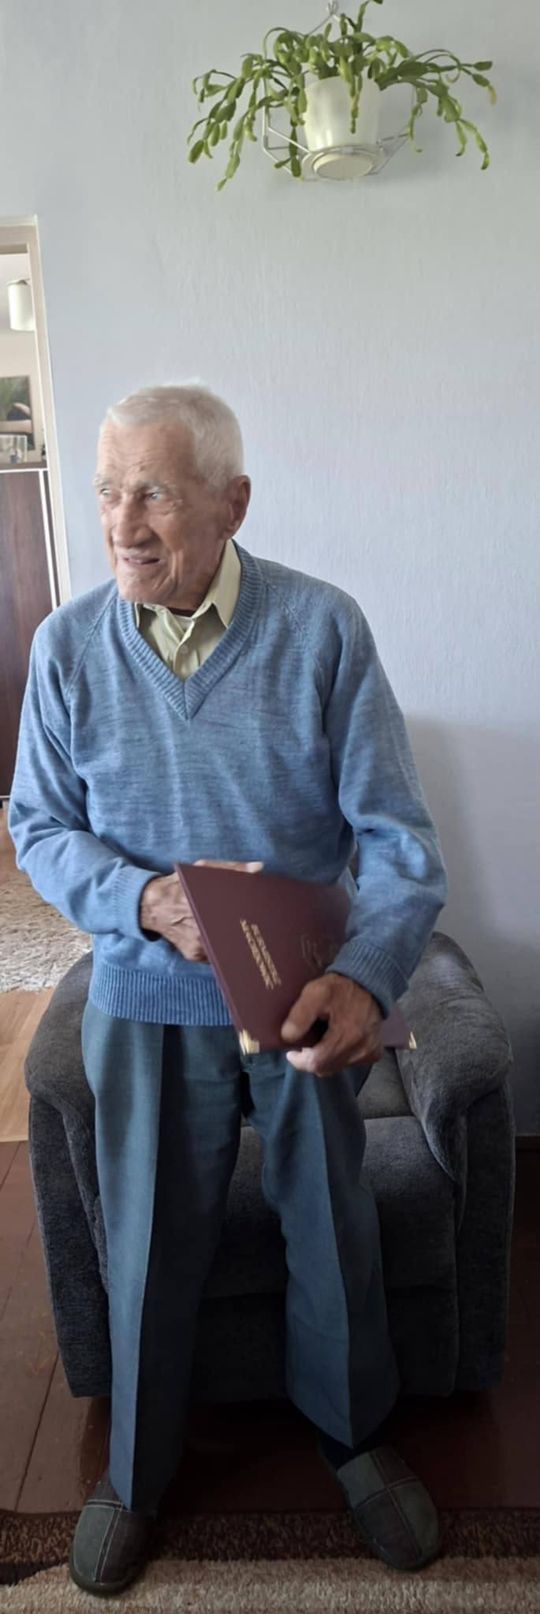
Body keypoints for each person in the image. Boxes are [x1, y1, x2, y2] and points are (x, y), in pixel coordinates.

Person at [9, 384, 448, 1596]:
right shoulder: (66, 648)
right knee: (146, 1243)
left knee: (333, 1226)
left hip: (300, 998)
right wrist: (145, 899)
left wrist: (365, 976)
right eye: (108, 491)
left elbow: (398, 840)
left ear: (233, 503)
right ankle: (139, 1472)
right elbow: (38, 827)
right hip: (147, 1002)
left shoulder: (323, 630)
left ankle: (355, 1439)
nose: (121, 523)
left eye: (153, 493)